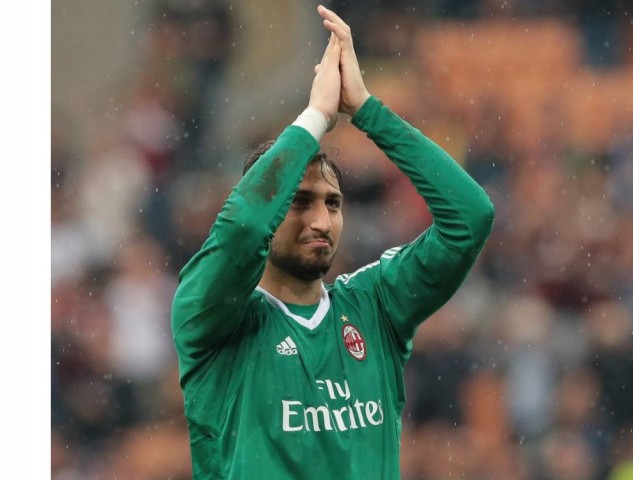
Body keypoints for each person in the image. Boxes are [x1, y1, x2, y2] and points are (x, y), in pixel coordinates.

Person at [170, 5, 494, 479]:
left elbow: (470, 216)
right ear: (270, 206)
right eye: (300, 202)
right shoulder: (214, 315)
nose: (321, 220)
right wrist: (317, 115)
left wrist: (366, 110)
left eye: (334, 204)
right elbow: (241, 230)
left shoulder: (375, 306)